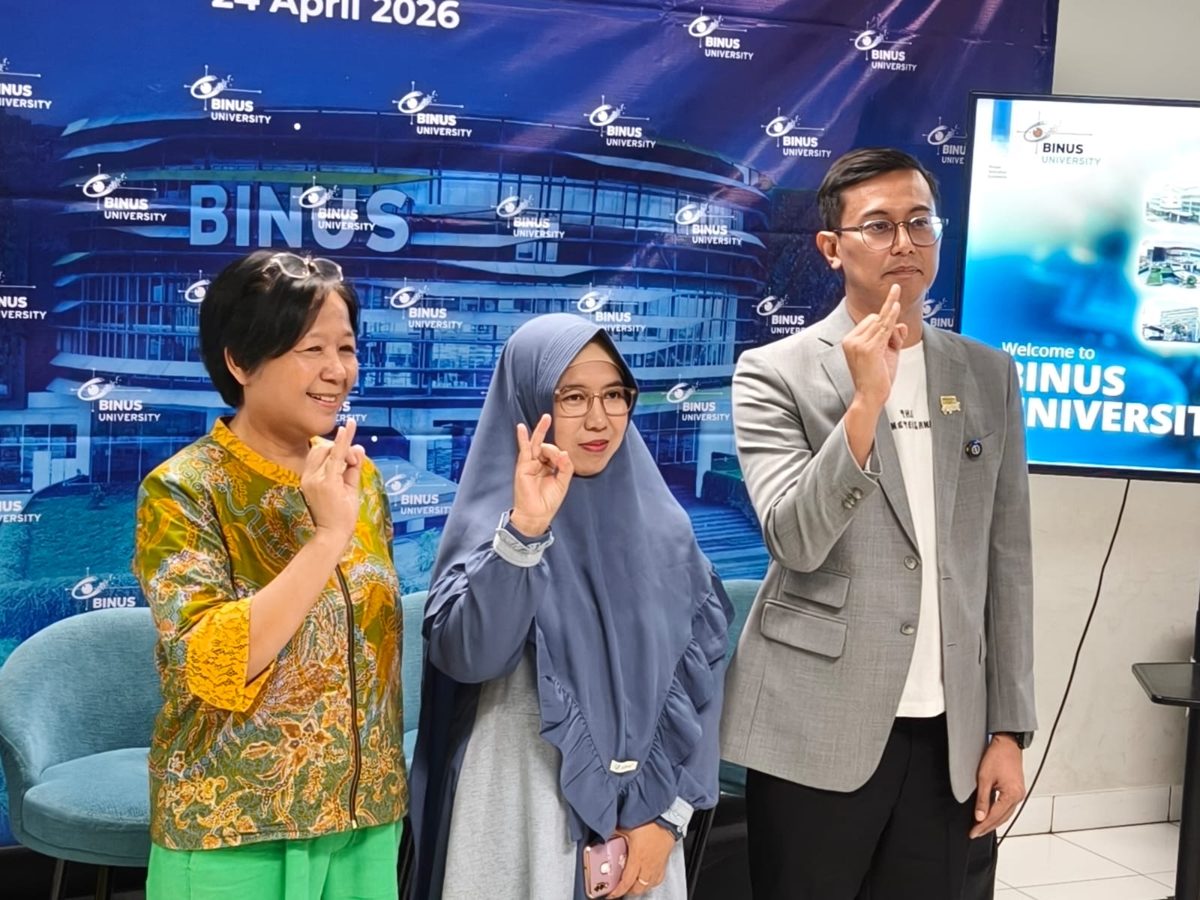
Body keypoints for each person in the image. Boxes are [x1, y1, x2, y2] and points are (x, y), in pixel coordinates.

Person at [720, 148, 1037, 900]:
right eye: (879, 225)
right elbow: (795, 539)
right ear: (832, 247)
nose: (904, 242)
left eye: (920, 222)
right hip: (815, 723)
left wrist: (1008, 730)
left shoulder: (987, 373)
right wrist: (865, 404)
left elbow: (1007, 562)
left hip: (950, 733)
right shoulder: (775, 372)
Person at [409, 313, 733, 900]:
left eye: (615, 395)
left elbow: (702, 685)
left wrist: (668, 818)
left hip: (645, 824)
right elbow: (470, 658)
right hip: (519, 815)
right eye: (573, 397)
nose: (599, 419)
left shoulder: (668, 532)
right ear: (530, 402)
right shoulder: (496, 523)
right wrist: (526, 532)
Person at [133, 250, 406, 900]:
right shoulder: (184, 489)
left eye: (346, 348)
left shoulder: (359, 477)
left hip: (365, 820)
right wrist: (327, 537)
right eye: (312, 349)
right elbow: (212, 666)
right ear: (240, 361)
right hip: (234, 826)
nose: (337, 371)